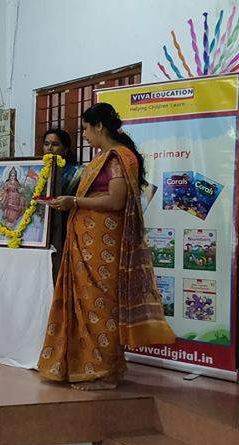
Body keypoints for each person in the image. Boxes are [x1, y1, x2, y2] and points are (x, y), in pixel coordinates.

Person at [39, 103, 175, 390]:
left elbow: (116, 201)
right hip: (85, 241)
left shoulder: (120, 158)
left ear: (99, 126)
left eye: (87, 129)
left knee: (99, 306)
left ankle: (103, 372)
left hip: (105, 245)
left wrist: (75, 202)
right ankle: (82, 366)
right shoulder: (104, 157)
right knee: (85, 304)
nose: (86, 136)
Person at [42, 128, 81, 279]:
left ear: (65, 149)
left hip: (66, 228)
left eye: (55, 144)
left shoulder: (77, 173)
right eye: (46, 144)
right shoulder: (38, 170)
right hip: (43, 229)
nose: (49, 148)